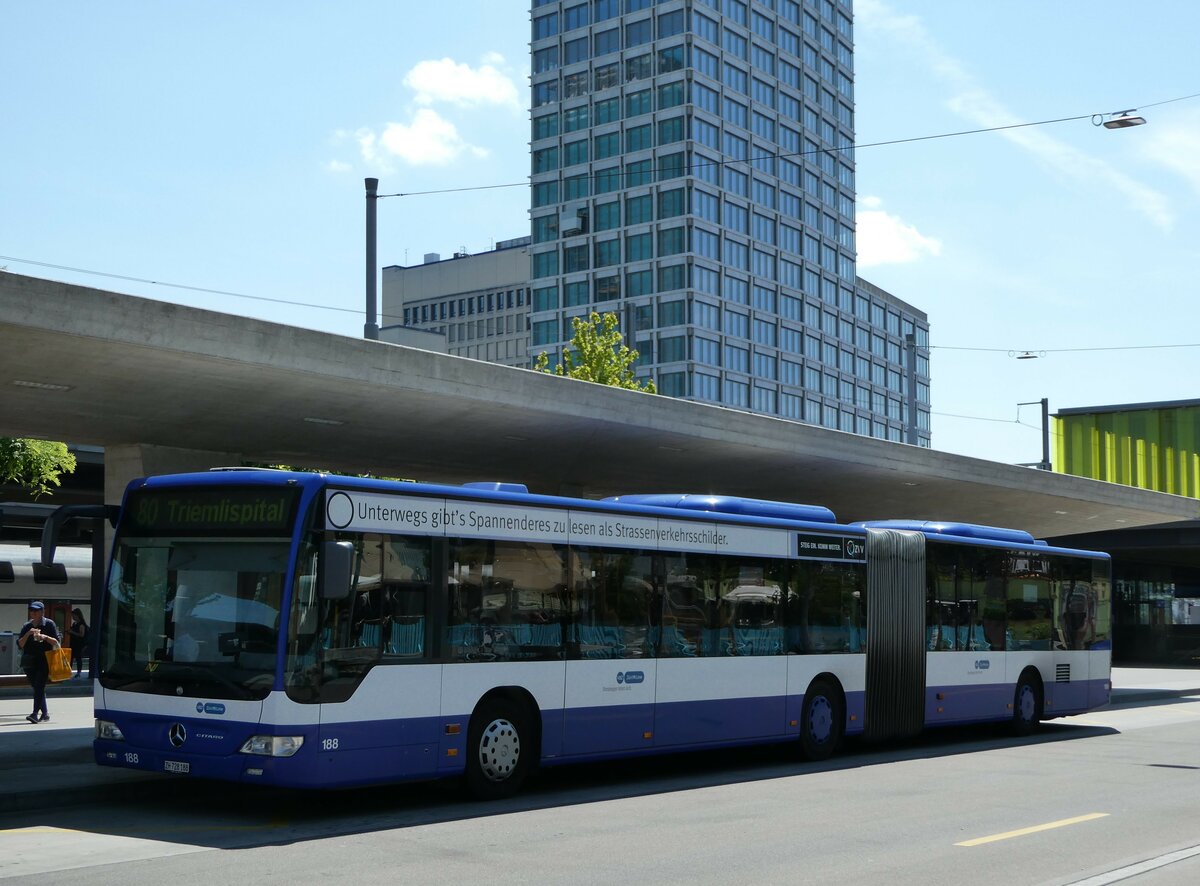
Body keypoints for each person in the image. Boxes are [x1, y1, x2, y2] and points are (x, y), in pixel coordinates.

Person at [17, 601, 61, 724]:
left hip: (44, 660)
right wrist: (28, 634)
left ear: (42, 612)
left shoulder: (49, 624)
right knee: (37, 687)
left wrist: (44, 637)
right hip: (29, 661)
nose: (33, 613)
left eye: (36, 611)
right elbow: (20, 644)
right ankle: (45, 714)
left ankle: (35, 713)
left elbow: (57, 643)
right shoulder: (27, 626)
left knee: (39, 686)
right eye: (31, 610)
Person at [68, 608, 89, 677]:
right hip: (73, 643)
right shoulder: (74, 623)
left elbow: (81, 634)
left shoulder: (81, 624)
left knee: (78, 657)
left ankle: (79, 672)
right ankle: (69, 671)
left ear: (77, 615)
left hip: (79, 644)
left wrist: (72, 632)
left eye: (73, 615)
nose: (73, 617)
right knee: (71, 657)